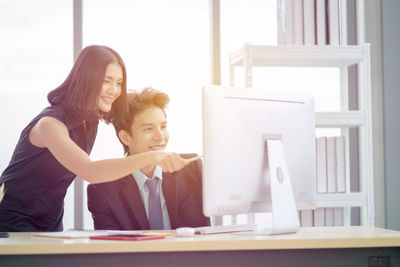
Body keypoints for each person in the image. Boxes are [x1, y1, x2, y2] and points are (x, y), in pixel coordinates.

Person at [0, 46, 192, 232]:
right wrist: (153, 156)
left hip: (49, 219)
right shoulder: (49, 124)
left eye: (119, 83)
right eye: (107, 81)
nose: (114, 91)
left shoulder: (89, 122)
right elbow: (90, 172)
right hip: (11, 218)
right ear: (87, 80)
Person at [87, 88, 210, 230]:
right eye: (148, 129)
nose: (160, 136)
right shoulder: (103, 190)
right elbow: (110, 248)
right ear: (126, 137)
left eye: (163, 126)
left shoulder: (192, 169)